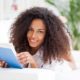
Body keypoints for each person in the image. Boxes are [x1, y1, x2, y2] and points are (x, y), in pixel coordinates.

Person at [0, 7, 76, 71]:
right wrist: (7, 65)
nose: (33, 36)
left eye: (40, 31)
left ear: (48, 34)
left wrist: (33, 63)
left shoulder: (55, 49)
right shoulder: (21, 45)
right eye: (30, 29)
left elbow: (73, 64)